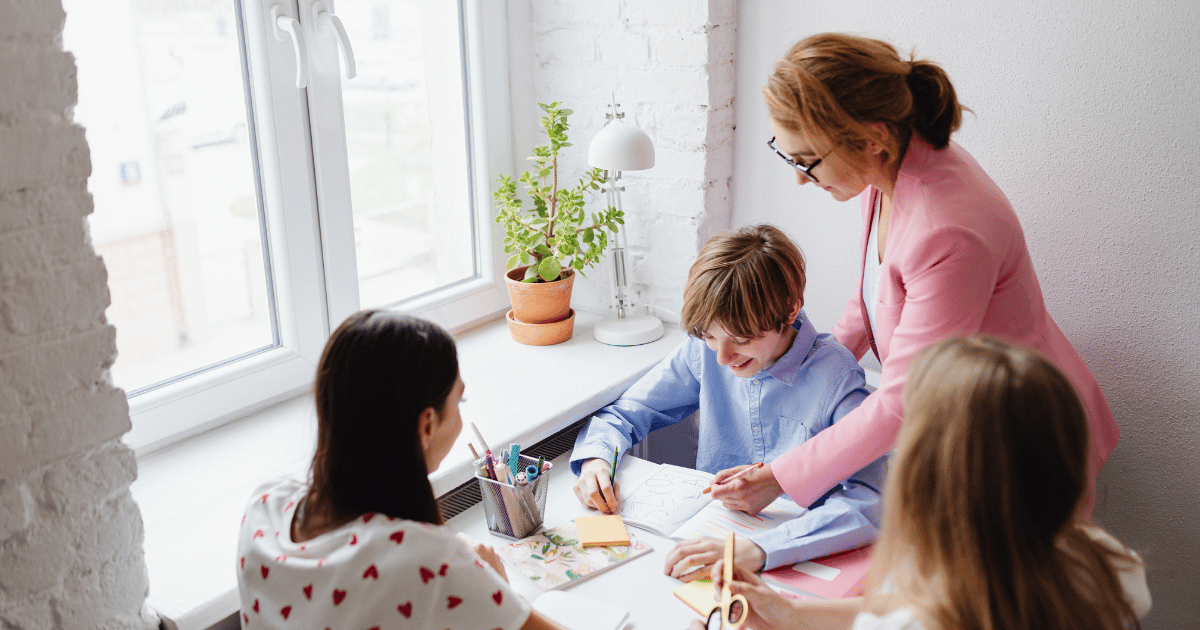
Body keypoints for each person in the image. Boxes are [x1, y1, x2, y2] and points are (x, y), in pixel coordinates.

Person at [722, 32, 1119, 517]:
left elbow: (904, 400)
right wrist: (804, 368)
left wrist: (779, 478)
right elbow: (872, 300)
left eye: (807, 161)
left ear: (872, 140)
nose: (800, 178)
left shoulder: (948, 230)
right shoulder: (887, 171)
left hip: (1022, 441)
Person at [700, 336, 1150, 630]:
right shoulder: (1111, 565)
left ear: (925, 478)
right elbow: (928, 602)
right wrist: (793, 612)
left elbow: (919, 613)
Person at [570, 224, 886, 579]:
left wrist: (761, 550)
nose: (722, 358)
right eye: (709, 336)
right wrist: (596, 461)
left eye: (741, 339)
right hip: (705, 540)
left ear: (790, 308)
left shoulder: (837, 377)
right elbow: (626, 413)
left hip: (795, 559)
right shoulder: (703, 352)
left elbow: (870, 502)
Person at [235, 310, 566, 630]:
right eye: (458, 403)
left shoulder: (264, 507)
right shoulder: (431, 564)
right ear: (426, 425)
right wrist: (491, 585)